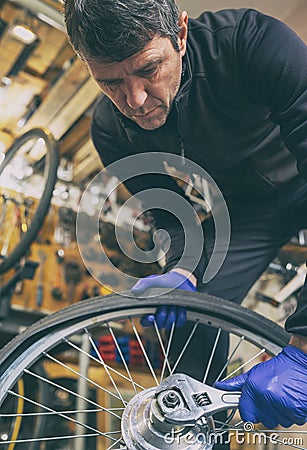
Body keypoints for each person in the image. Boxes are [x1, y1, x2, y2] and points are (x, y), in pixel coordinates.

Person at [64, 0, 307, 437]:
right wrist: (183, 269)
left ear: (180, 32)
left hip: (300, 173)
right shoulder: (109, 128)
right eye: (111, 82)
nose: (134, 100)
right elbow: (169, 214)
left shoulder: (253, 44)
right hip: (248, 212)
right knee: (193, 319)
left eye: (149, 69)